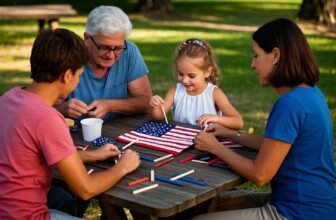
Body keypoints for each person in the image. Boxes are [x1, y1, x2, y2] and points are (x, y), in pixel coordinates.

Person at [192, 18, 336, 220]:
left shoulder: (290, 104)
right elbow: (276, 145)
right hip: (314, 204)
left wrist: (215, 147)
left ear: (275, 55)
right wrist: (232, 135)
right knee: (216, 202)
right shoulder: (311, 93)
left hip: (298, 213)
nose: (252, 64)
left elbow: (260, 175)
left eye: (256, 55)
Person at [0, 28, 140, 220]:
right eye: (79, 74)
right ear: (67, 75)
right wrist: (123, 166)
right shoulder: (47, 118)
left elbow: (33, 158)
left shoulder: (9, 98)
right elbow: (86, 189)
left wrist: (93, 155)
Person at [55, 5, 152, 122]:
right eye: (104, 47)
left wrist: (111, 105)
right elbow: (38, 106)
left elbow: (147, 103)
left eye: (117, 48)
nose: (111, 55)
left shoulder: (129, 51)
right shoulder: (68, 56)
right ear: (87, 38)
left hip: (118, 131)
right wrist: (61, 109)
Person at [150, 38, 243, 130]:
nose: (185, 80)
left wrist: (216, 118)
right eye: (180, 74)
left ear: (207, 72)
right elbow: (158, 116)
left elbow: (238, 122)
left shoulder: (214, 94)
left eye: (191, 76)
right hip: (180, 142)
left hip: (206, 143)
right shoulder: (175, 91)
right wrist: (156, 105)